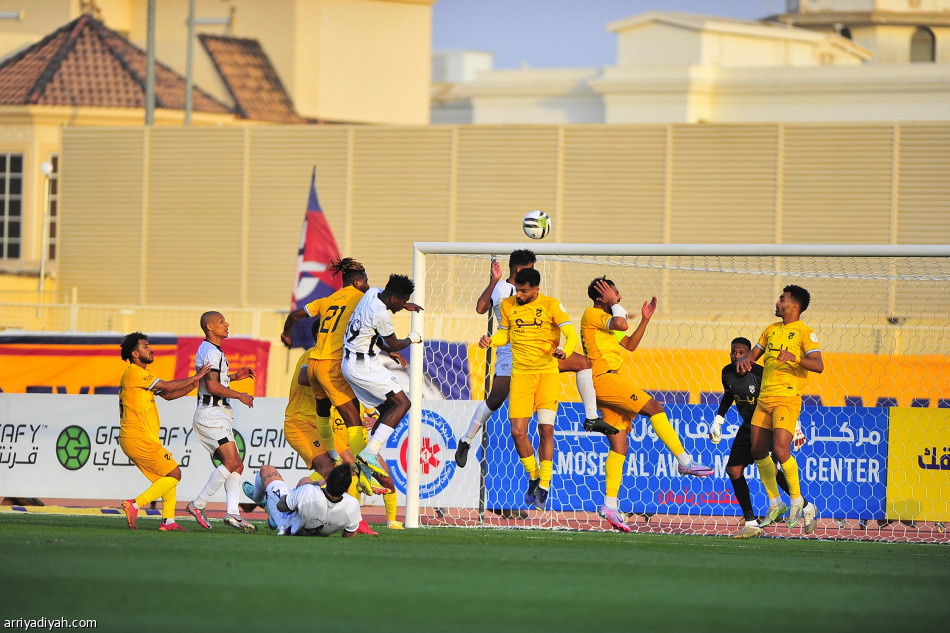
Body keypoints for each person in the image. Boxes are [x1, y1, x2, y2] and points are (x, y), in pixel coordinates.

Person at [456, 249, 613, 469]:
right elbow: (481, 308)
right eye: (531, 268)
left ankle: (591, 416)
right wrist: (494, 281)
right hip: (510, 352)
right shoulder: (503, 289)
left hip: (539, 352)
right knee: (496, 399)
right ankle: (466, 440)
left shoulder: (532, 291)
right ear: (520, 269)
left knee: (583, 363)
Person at [581, 277, 715, 532]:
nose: (619, 298)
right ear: (602, 296)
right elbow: (620, 321)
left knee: (619, 446)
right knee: (655, 407)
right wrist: (613, 304)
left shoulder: (604, 325)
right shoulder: (592, 313)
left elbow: (629, 344)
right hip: (605, 379)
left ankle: (610, 504)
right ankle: (684, 461)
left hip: (608, 383)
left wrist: (645, 320)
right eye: (615, 294)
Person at [478, 267, 578, 511]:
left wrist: (566, 349)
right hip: (521, 375)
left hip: (547, 375)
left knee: (546, 429)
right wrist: (492, 341)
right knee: (517, 432)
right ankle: (533, 476)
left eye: (524, 292)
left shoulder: (552, 305)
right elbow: (505, 334)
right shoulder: (508, 305)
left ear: (536, 289)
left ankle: (544, 484)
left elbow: (571, 334)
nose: (519, 295)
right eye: (518, 291)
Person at [737, 285, 823, 531]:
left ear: (794, 306)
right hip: (764, 398)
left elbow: (818, 365)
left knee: (781, 451)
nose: (777, 302)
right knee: (757, 452)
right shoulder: (770, 330)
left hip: (787, 398)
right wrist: (744, 361)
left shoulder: (806, 333)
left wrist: (795, 358)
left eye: (782, 299)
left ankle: (796, 500)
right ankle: (776, 502)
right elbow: (754, 354)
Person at [709, 337, 815, 538]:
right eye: (734, 352)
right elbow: (729, 394)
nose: (737, 356)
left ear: (751, 355)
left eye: (742, 352)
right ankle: (751, 522)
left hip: (766, 426)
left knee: (771, 469)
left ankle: (804, 505)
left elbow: (783, 396)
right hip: (747, 425)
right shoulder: (727, 373)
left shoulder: (761, 374)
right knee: (733, 470)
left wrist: (796, 425)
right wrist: (718, 420)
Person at [118, 332, 211, 532]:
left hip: (137, 438)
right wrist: (197, 376)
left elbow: (168, 395)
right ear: (135, 353)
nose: (151, 349)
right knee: (175, 473)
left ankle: (168, 521)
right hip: (137, 437)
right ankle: (135, 504)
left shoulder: (138, 377)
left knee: (167, 477)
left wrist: (193, 384)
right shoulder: (135, 372)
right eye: (145, 346)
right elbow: (168, 386)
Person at [344, 274, 423, 478]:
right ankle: (370, 453)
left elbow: (372, 330)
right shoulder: (382, 315)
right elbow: (395, 343)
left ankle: (366, 462)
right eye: (402, 302)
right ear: (394, 298)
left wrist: (404, 306)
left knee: (389, 409)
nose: (402, 306)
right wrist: (412, 338)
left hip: (352, 362)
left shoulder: (373, 292)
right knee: (403, 404)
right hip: (363, 366)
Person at [186, 311, 258, 533]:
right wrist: (240, 395)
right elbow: (212, 387)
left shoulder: (213, 350)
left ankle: (233, 513)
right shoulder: (209, 350)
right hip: (211, 414)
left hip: (218, 414)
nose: (227, 324)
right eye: (221, 322)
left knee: (236, 465)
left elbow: (216, 380)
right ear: (209, 327)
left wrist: (235, 376)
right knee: (231, 462)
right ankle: (198, 504)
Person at [245, 463, 370, 537]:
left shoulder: (308, 492)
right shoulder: (353, 504)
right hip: (318, 530)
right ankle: (275, 508)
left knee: (266, 470)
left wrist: (299, 492)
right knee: (305, 481)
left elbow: (281, 506)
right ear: (347, 489)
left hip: (287, 524)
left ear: (326, 480)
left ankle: (260, 500)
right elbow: (349, 534)